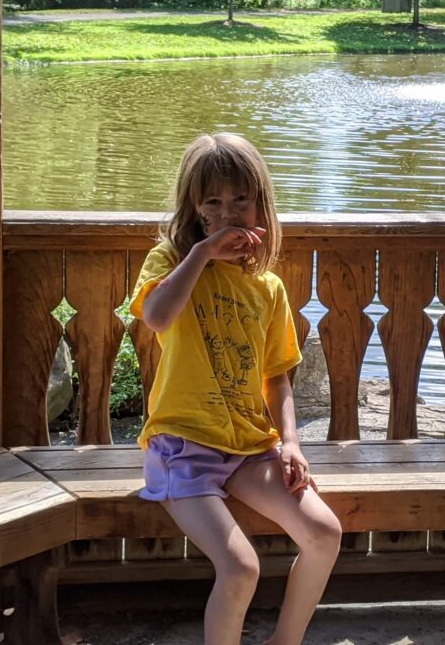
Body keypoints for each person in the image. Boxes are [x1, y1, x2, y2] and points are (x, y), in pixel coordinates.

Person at [129, 133, 343, 645]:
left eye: (240, 200)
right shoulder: (170, 261)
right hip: (183, 445)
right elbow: (157, 318)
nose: (229, 213)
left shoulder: (267, 286)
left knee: (324, 533)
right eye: (214, 203)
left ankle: (284, 641)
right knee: (241, 567)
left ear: (259, 203)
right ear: (196, 209)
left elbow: (277, 377)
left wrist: (290, 443)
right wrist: (201, 255)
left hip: (250, 447)